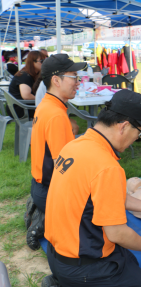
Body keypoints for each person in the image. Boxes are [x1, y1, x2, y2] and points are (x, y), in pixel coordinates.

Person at [41, 90, 141, 287]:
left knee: (130, 261)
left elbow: (100, 197)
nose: (138, 138)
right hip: (85, 267)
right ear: (123, 127)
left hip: (58, 255)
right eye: (139, 133)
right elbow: (117, 234)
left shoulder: (74, 145)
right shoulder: (106, 166)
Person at [24, 54, 87, 251]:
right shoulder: (56, 115)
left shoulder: (47, 104)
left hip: (39, 184)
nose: (78, 82)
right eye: (74, 77)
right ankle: (45, 218)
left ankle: (42, 209)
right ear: (56, 80)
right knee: (90, 217)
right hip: (50, 189)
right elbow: (64, 167)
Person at [7, 50, 46, 118]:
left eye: (45, 61)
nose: (44, 63)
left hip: (23, 106)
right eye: (41, 61)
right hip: (20, 109)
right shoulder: (24, 75)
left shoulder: (31, 74)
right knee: (52, 111)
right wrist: (44, 100)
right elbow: (26, 96)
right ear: (32, 62)